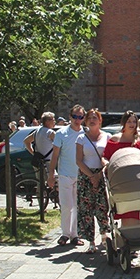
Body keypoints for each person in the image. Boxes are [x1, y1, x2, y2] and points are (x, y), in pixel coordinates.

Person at [102, 111, 140, 227]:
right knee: (123, 208)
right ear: (124, 123)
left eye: (134, 121)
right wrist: (107, 164)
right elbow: (105, 156)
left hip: (136, 180)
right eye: (129, 121)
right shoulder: (115, 140)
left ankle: (133, 236)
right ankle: (126, 235)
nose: (132, 124)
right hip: (120, 180)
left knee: (134, 208)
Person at [48, 104, 86, 247]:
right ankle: (65, 234)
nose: (77, 120)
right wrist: (51, 174)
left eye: (80, 117)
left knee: (77, 206)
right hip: (65, 174)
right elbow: (55, 155)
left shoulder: (85, 133)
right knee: (66, 205)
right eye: (75, 116)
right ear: (70, 117)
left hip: (81, 175)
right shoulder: (61, 133)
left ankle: (75, 234)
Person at [75, 109, 111, 253]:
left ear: (100, 120)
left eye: (95, 118)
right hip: (86, 175)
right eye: (89, 118)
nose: (92, 120)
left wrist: (99, 175)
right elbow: (78, 160)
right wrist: (91, 176)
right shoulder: (81, 138)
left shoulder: (107, 136)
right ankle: (91, 241)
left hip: (102, 174)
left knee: (103, 206)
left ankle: (104, 236)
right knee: (86, 209)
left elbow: (109, 157)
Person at [23, 111, 56, 177]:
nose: (54, 122)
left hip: (38, 161)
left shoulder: (37, 131)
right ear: (47, 121)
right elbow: (60, 145)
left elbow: (26, 141)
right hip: (47, 162)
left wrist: (33, 153)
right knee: (53, 182)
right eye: (53, 120)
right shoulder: (50, 132)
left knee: (40, 183)